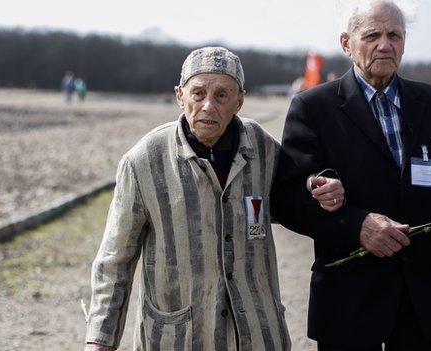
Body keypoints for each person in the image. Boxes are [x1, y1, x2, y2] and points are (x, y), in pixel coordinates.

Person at [84, 46, 344, 351]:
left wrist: (318, 187)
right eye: (198, 93)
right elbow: (116, 260)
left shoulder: (262, 148)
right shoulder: (144, 161)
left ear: (239, 100)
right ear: (180, 95)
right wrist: (99, 340)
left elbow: (294, 193)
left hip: (256, 336)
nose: (208, 105)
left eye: (221, 95)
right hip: (177, 339)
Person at [270, 1, 431, 350]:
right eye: (372, 35)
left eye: (394, 36)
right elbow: (288, 200)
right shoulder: (313, 107)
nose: (384, 45)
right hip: (349, 303)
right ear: (346, 43)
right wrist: (358, 225)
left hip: (426, 301)